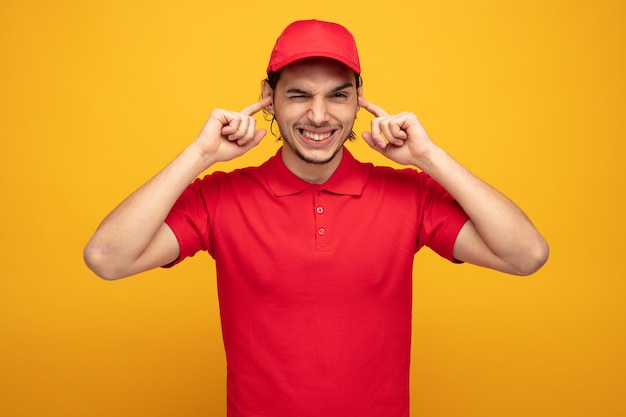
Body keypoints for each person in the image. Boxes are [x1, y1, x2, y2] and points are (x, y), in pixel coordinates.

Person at [84, 19, 548, 417]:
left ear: (359, 100)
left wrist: (429, 156)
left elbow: (527, 255)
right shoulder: (221, 197)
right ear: (269, 97)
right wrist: (200, 153)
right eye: (300, 95)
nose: (319, 115)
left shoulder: (410, 195)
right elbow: (107, 258)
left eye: (338, 95)